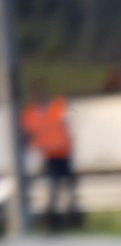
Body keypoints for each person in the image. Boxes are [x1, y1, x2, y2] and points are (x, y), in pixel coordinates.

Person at [19, 93, 78, 232]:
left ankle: (64, 216)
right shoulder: (32, 114)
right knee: (55, 187)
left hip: (62, 153)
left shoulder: (53, 110)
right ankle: (53, 218)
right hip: (51, 155)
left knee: (67, 186)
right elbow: (30, 135)